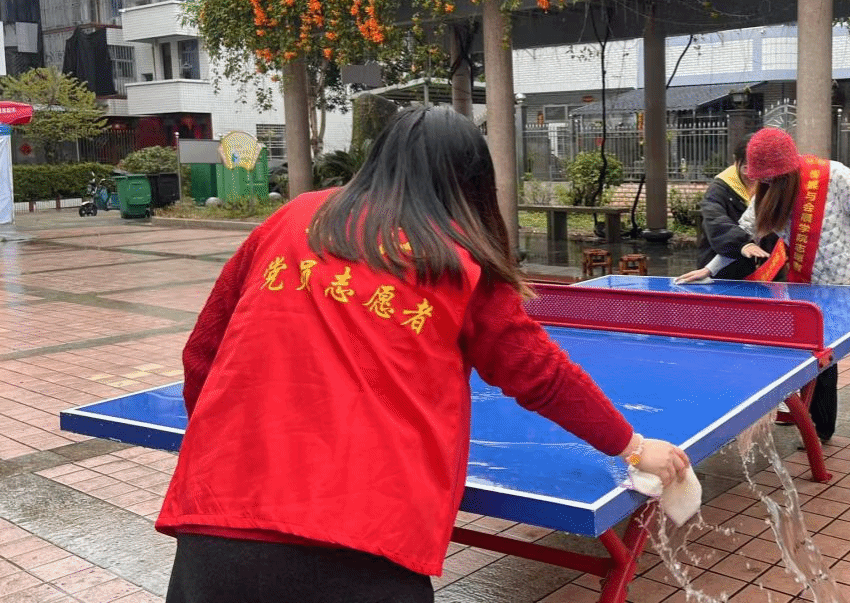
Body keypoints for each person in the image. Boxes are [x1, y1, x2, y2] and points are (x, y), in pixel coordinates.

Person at [156, 106, 690, 603]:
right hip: (367, 539)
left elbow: (202, 354)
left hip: (217, 527)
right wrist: (634, 446)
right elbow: (541, 375)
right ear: (473, 183)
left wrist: (230, 451)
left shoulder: (291, 219)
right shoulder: (458, 257)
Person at [677, 127, 850, 453]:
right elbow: (744, 232)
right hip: (815, 289)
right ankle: (820, 429)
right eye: (762, 180)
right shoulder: (767, 193)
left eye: (771, 179)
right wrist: (710, 269)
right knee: (820, 363)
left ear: (787, 169)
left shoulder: (837, 177)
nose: (766, 185)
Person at [695, 133, 785, 281]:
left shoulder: (771, 186)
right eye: (746, 167)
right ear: (735, 160)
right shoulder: (719, 190)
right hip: (726, 273)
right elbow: (716, 223)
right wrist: (743, 244)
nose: (751, 175)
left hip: (768, 270)